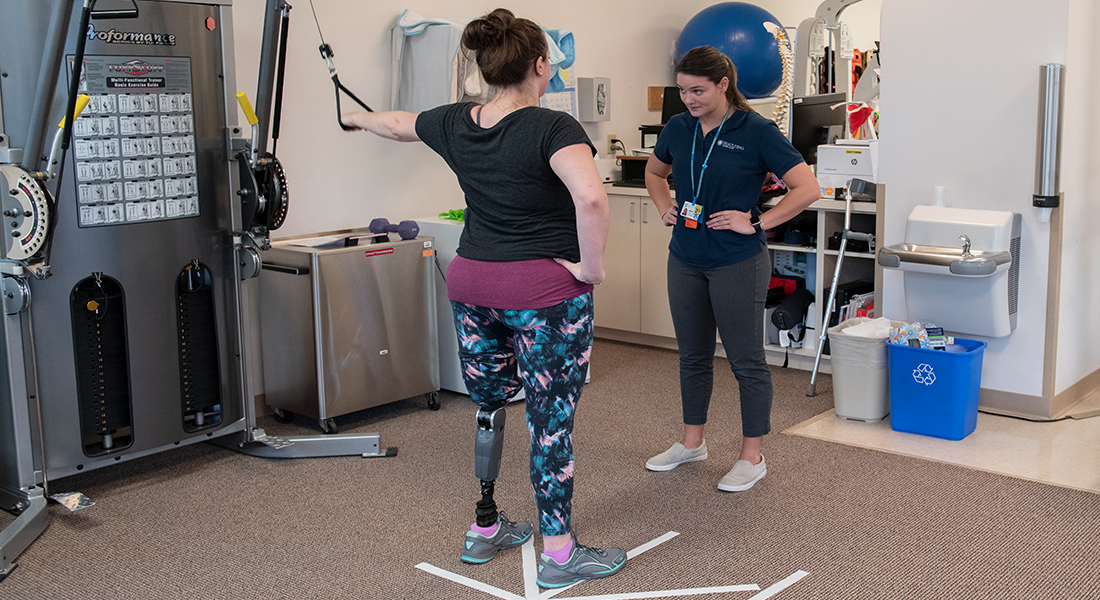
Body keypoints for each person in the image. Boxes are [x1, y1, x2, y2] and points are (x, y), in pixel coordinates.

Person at [341, 8, 626, 589]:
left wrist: (354, 117)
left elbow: (397, 124)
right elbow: (592, 200)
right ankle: (560, 554)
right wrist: (591, 270)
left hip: (472, 284)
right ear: (540, 66)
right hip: (543, 292)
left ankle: (485, 526)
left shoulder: (453, 121)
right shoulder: (554, 127)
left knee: (490, 406)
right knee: (550, 422)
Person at [643, 46, 819, 492]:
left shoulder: (756, 130)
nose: (689, 99)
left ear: (724, 85)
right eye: (682, 90)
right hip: (685, 255)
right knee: (692, 356)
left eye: (698, 90)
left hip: (736, 261)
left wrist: (757, 220)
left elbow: (808, 188)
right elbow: (654, 171)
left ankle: (751, 456)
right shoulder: (679, 127)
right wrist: (665, 206)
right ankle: (691, 443)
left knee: (746, 361)